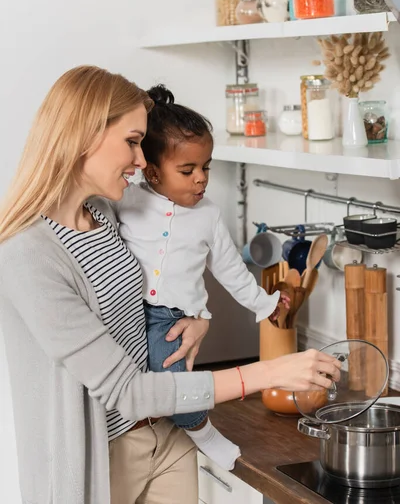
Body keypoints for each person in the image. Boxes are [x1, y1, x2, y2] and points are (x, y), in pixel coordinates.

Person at [0, 66, 341, 504]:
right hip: (99, 459)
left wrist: (199, 319)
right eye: (132, 142)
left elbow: (161, 285)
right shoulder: (28, 253)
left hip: (167, 436)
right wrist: (269, 372)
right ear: (83, 135)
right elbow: (126, 391)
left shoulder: (106, 215)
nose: (142, 162)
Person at [114, 84, 290, 470]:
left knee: (173, 382)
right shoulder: (126, 198)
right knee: (131, 386)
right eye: (188, 170)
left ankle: (203, 432)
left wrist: (266, 304)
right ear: (154, 171)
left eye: (206, 167)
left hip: (171, 319)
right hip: (126, 312)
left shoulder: (207, 214)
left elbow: (229, 267)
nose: (201, 179)